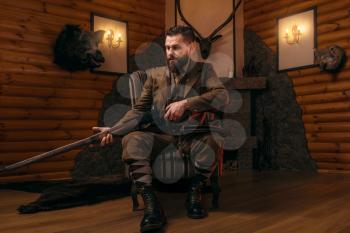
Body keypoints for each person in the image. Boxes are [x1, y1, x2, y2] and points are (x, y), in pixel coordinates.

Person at [93, 25, 229, 233]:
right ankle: (151, 204)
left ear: (191, 47)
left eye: (176, 48)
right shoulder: (154, 76)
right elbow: (138, 110)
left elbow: (223, 96)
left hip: (192, 136)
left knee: (214, 139)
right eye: (167, 48)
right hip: (163, 137)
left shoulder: (205, 71)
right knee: (133, 140)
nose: (169, 54)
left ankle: (195, 191)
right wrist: (113, 129)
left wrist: (186, 103)